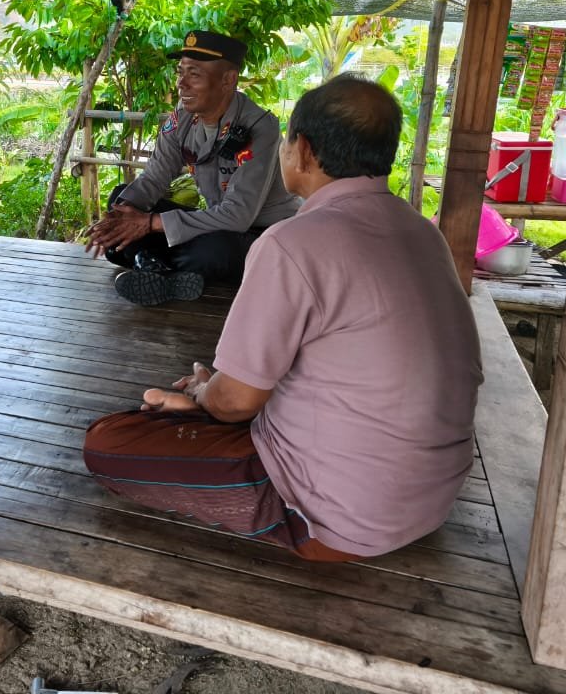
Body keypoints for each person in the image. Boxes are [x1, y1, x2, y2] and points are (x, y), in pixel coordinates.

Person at [83, 75, 482, 560]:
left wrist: (205, 396)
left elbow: (235, 403)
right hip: (430, 498)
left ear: (304, 151)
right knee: (220, 398)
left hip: (337, 516)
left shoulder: (293, 241)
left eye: (290, 143)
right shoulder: (424, 233)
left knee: (109, 442)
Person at [85, 30, 299, 306]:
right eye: (180, 72)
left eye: (194, 74)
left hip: (258, 234)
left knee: (213, 251)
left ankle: (149, 262)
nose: (181, 84)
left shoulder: (260, 127)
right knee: (122, 199)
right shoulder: (183, 117)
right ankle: (165, 271)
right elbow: (154, 179)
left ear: (228, 80)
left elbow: (237, 216)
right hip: (216, 222)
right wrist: (116, 221)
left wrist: (149, 224)